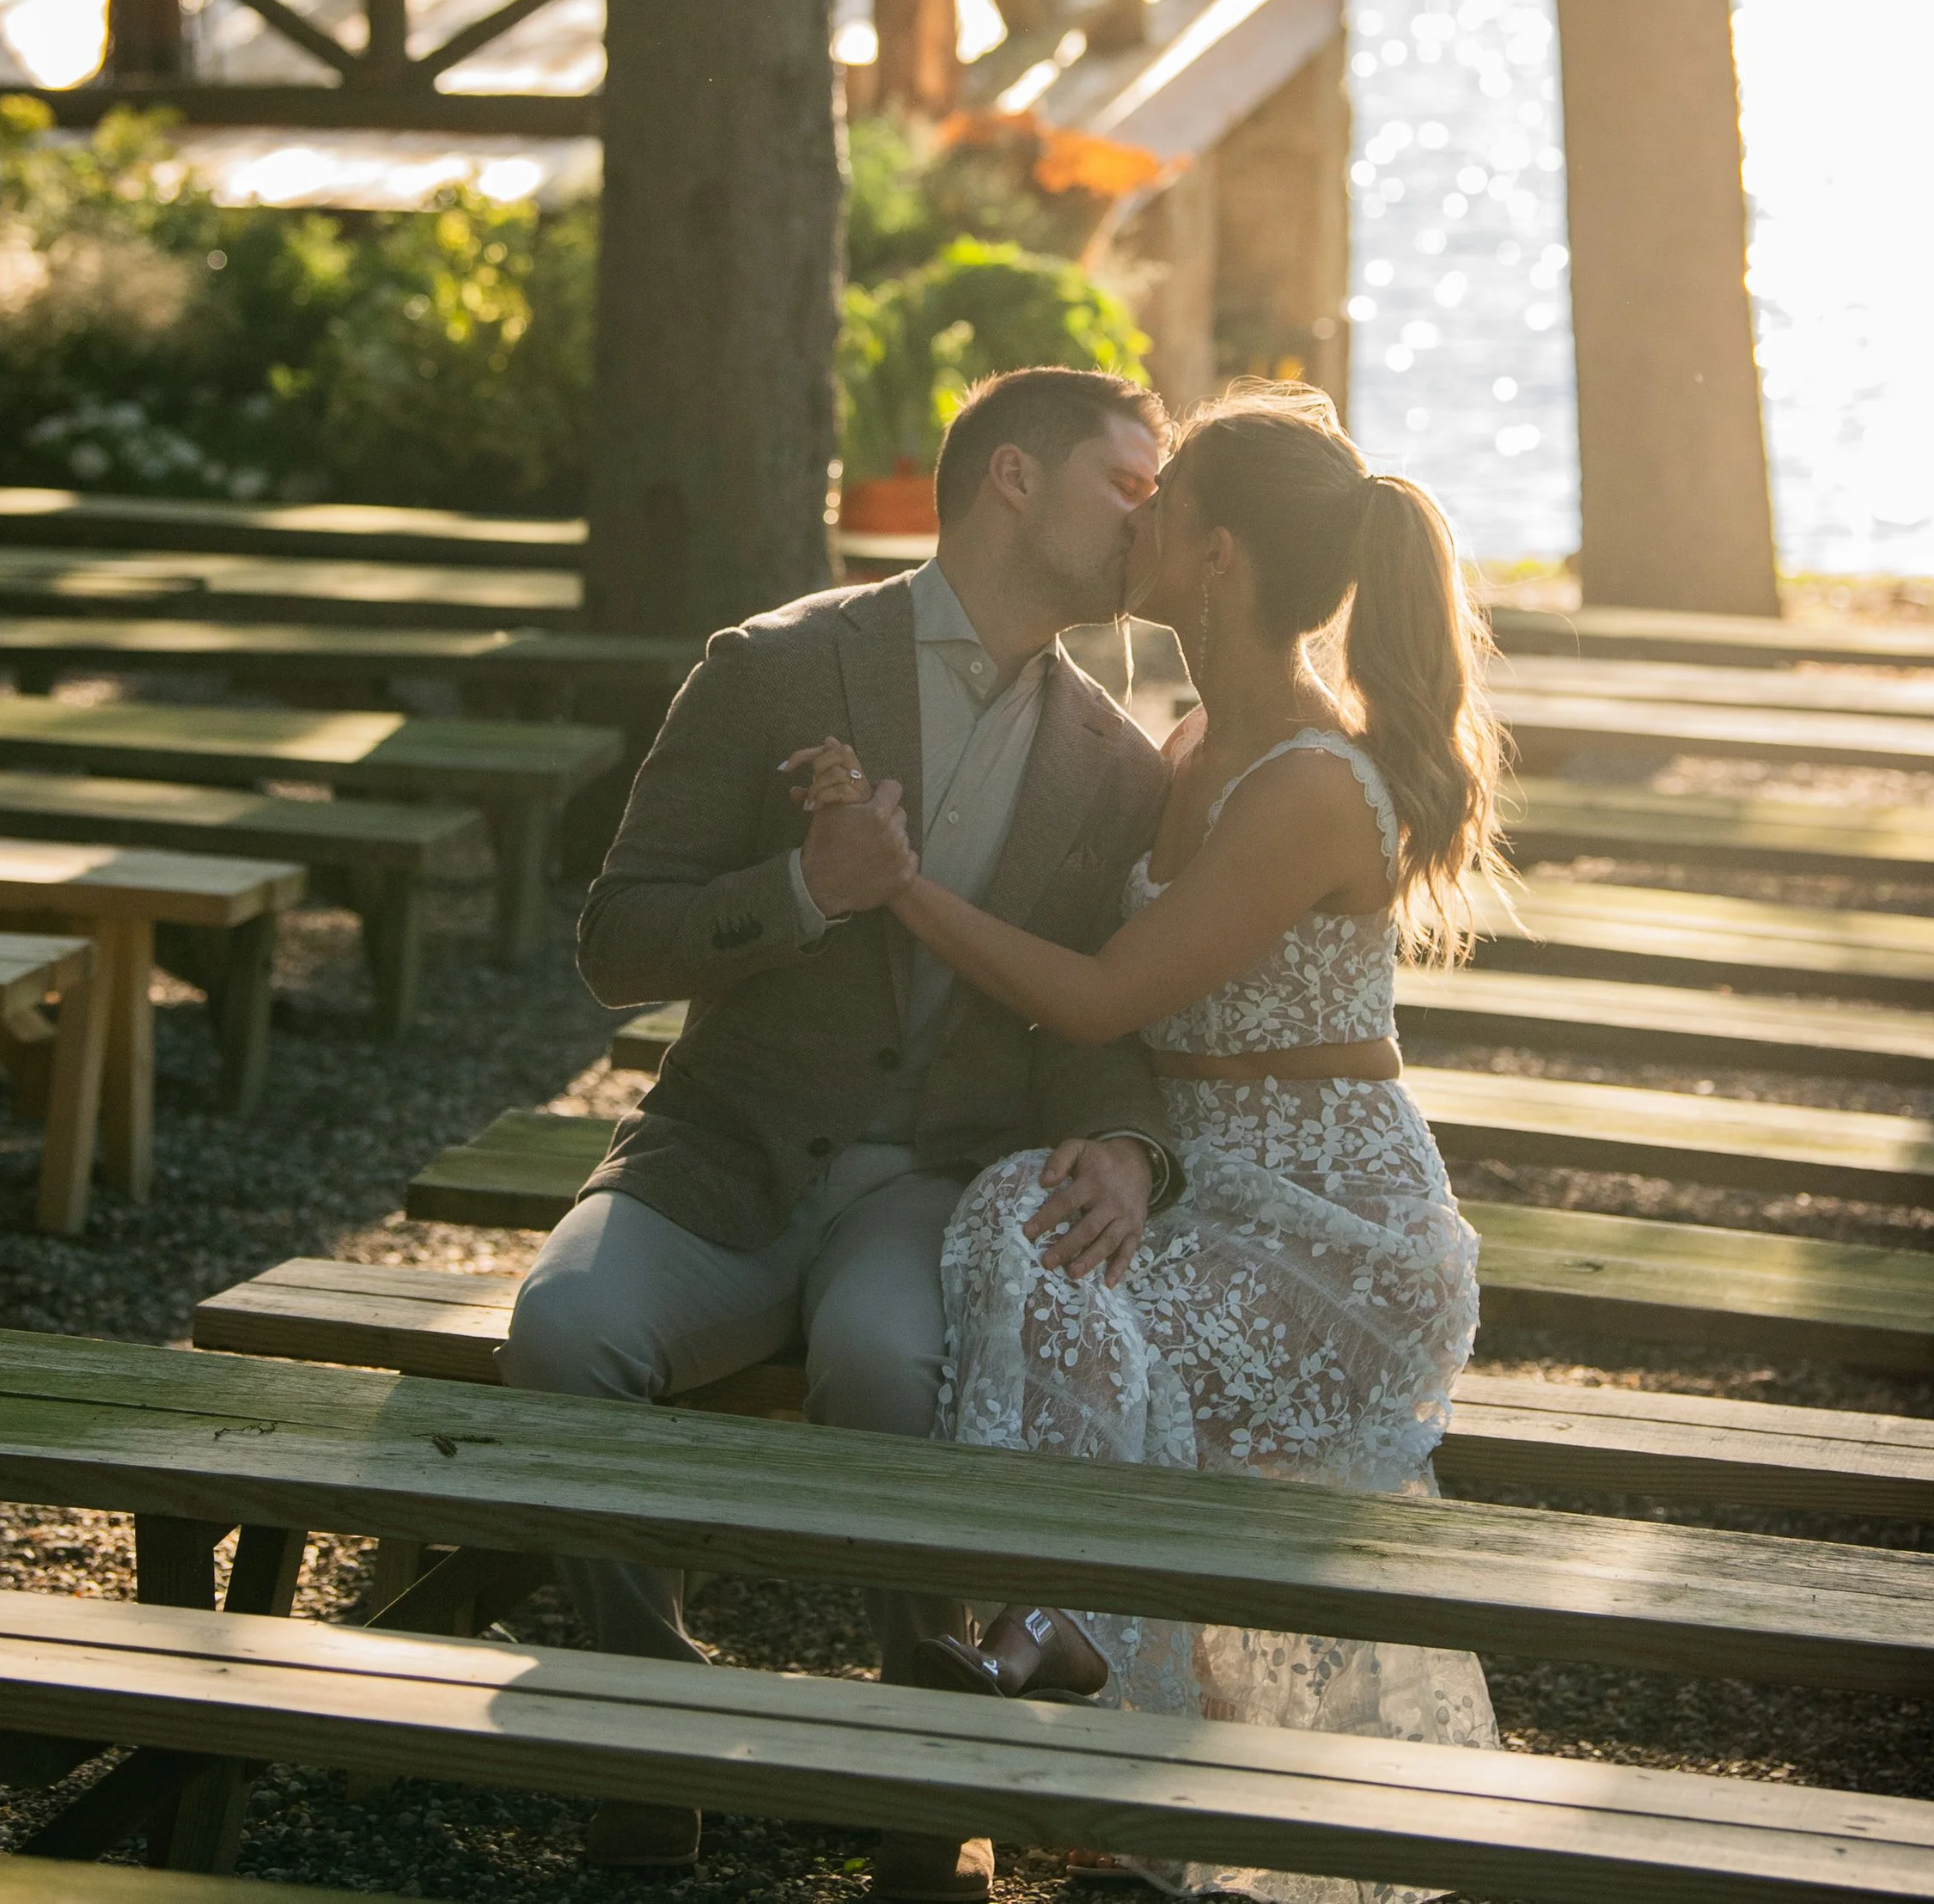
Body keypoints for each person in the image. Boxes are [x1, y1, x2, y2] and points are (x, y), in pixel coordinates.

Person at [801, 382, 1505, 1904]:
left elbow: (1109, 988)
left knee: (1051, 1265)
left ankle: (1063, 1636)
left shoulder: (1316, 784)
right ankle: (1114, 1731)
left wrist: (898, 880)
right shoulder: (1188, 741)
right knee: (1026, 1224)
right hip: (1207, 1182)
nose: (1138, 519)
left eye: (1164, 503)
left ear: (1220, 561)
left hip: (1331, 1226)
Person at [501, 363, 1183, 1902]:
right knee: (560, 1334)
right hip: (722, 1158)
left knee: (892, 1368)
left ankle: (921, 1803)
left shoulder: (1120, 761)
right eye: (1130, 481)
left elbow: (1100, 1009)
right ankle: (648, 1743)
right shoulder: (772, 664)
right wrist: (809, 888)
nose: (1155, 516)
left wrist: (1129, 1141)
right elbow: (618, 939)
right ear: (1014, 475)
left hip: (930, 1191)